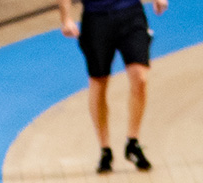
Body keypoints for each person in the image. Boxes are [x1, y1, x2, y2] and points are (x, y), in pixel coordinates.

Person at [56, 0, 169, 174]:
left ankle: (133, 142)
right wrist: (66, 18)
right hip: (96, 19)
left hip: (131, 14)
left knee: (140, 77)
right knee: (99, 82)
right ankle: (105, 149)